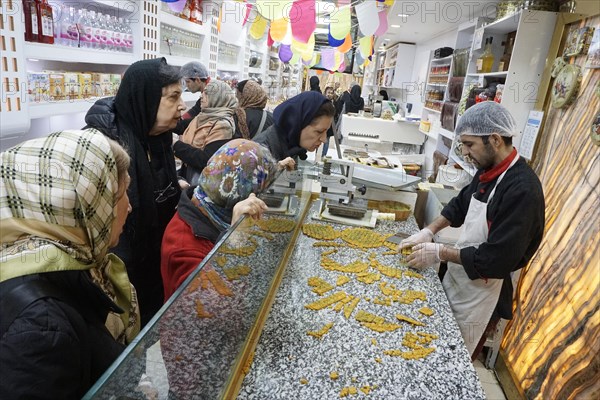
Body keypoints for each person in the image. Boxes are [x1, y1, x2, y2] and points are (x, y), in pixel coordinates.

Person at [0, 129, 140, 398]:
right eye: (122, 193)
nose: (129, 207)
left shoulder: (69, 267)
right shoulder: (40, 326)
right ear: (89, 206)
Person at [400, 102, 545, 359]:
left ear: (495, 139)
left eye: (469, 144)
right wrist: (429, 231)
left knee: (454, 361)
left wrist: (440, 252)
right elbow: (460, 204)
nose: (465, 152)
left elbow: (495, 261)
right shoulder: (488, 170)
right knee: (433, 347)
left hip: (483, 295)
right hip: (459, 281)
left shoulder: (522, 190)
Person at [84, 57, 185, 326]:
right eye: (173, 97)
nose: (182, 105)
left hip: (151, 269)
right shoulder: (105, 148)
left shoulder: (159, 138)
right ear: (147, 98)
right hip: (119, 278)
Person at [161, 139, 278, 300]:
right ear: (240, 192)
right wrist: (233, 239)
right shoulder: (185, 247)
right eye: (257, 192)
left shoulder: (206, 208)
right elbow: (212, 309)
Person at [177, 80, 238, 187]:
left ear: (218, 98)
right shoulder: (203, 116)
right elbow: (180, 126)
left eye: (206, 94)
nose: (202, 97)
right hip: (188, 173)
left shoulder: (223, 125)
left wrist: (176, 146)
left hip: (202, 182)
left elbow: (206, 159)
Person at [253, 91, 335, 168]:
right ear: (297, 124)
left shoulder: (292, 148)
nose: (324, 139)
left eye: (326, 131)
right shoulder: (257, 154)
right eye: (319, 132)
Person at [175, 61, 211, 135]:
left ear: (197, 80)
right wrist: (180, 119)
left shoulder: (212, 97)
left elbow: (197, 121)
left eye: (188, 82)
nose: (187, 86)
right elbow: (194, 111)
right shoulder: (205, 95)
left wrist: (172, 125)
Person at [322, 86, 336, 157]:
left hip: (329, 126)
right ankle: (315, 157)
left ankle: (323, 156)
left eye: (331, 93)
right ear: (325, 93)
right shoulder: (321, 101)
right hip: (321, 124)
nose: (330, 94)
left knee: (326, 141)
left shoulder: (334, 103)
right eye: (328, 92)